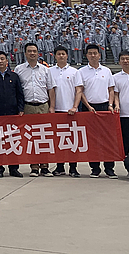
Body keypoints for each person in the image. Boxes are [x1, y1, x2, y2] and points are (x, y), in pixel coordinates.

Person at [73, 44, 117, 178]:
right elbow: (80, 91)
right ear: (87, 56)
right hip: (89, 108)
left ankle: (109, 168)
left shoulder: (106, 71)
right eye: (90, 53)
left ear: (99, 55)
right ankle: (95, 168)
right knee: (92, 139)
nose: (93, 55)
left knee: (108, 138)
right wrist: (87, 106)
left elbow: (111, 90)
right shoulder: (81, 72)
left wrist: (110, 104)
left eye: (95, 53)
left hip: (105, 107)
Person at [14, 42, 56, 177]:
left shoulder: (45, 69)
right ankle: (34, 167)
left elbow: (51, 89)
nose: (32, 53)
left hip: (43, 106)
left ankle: (45, 167)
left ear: (38, 53)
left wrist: (52, 107)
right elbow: (17, 90)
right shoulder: (19, 69)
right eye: (29, 51)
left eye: (34, 51)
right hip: (27, 107)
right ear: (25, 53)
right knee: (30, 137)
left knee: (44, 137)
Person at [48, 46, 80, 177]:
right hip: (56, 111)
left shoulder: (74, 72)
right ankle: (59, 167)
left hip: (71, 111)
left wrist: (75, 107)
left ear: (67, 56)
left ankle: (73, 168)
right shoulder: (50, 71)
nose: (61, 56)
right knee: (58, 141)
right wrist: (51, 107)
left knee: (73, 141)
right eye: (59, 54)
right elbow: (50, 90)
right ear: (55, 56)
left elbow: (78, 91)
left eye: (63, 54)